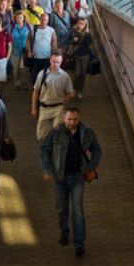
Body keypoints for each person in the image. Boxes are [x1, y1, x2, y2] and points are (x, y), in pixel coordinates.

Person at [40, 107, 102, 256]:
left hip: (77, 177)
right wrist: (45, 170)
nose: (72, 122)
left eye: (75, 119)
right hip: (60, 178)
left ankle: (79, 244)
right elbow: (45, 150)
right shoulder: (56, 132)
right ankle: (64, 231)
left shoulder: (86, 132)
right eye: (69, 119)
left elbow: (97, 150)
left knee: (77, 210)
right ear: (64, 119)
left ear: (78, 119)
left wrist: (90, 167)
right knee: (62, 208)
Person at [31, 51, 75, 142]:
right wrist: (34, 108)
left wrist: (63, 103)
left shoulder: (65, 76)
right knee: (42, 135)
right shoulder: (42, 74)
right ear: (50, 61)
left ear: (61, 62)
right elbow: (36, 92)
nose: (55, 64)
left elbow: (69, 92)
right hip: (44, 107)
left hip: (58, 108)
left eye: (58, 62)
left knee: (58, 133)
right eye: (54, 62)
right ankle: (47, 149)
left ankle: (56, 152)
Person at [26, 11, 57, 84]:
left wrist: (54, 53)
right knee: (34, 76)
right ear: (40, 19)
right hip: (35, 57)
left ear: (48, 20)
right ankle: (35, 91)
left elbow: (54, 41)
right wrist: (29, 51)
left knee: (45, 77)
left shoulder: (51, 30)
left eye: (45, 20)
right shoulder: (33, 29)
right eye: (42, 19)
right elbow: (28, 40)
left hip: (47, 58)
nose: (43, 21)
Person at [66, 18, 94, 98]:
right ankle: (74, 89)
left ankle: (80, 91)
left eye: (83, 24)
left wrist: (87, 35)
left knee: (83, 74)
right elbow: (66, 41)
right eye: (79, 23)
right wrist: (73, 40)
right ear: (77, 23)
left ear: (85, 25)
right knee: (77, 74)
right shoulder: (73, 31)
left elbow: (90, 43)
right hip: (76, 55)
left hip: (86, 56)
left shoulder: (87, 33)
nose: (80, 25)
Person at [10, 11, 30, 90]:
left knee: (24, 69)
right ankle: (17, 83)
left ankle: (25, 84)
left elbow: (30, 38)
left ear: (24, 18)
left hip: (25, 50)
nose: (19, 19)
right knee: (16, 69)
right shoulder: (12, 27)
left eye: (21, 18)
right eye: (17, 18)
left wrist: (30, 49)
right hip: (15, 50)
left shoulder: (27, 27)